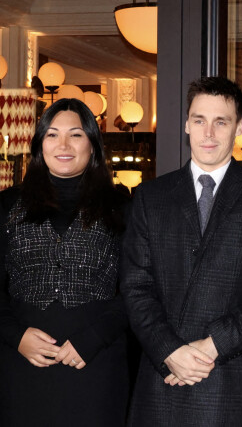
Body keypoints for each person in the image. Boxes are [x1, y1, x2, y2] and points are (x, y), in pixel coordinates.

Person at [121, 76, 242, 426]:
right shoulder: (151, 198)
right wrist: (170, 350)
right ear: (187, 124)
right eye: (199, 120)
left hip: (229, 373)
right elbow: (135, 286)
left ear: (239, 127)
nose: (209, 133)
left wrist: (210, 347)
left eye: (221, 122)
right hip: (162, 375)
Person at [0, 98, 130, 427]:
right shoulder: (7, 204)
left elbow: (138, 288)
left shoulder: (122, 206)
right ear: (39, 143)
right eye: (52, 134)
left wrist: (94, 338)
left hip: (96, 366)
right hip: (21, 367)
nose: (63, 145)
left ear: (92, 145)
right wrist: (15, 336)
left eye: (76, 135)